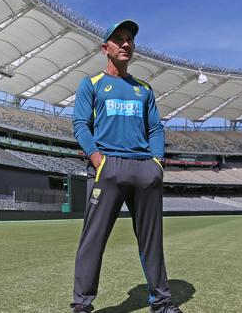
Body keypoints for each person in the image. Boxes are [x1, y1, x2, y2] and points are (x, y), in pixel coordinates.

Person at [70, 19, 181, 313]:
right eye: (119, 39)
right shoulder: (91, 84)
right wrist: (98, 160)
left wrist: (156, 163)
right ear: (105, 47)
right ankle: (82, 305)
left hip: (144, 169)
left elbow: (155, 129)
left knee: (152, 241)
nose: (126, 43)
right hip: (108, 168)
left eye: (130, 38)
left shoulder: (143, 89)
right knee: (92, 241)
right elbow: (81, 125)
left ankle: (162, 301)